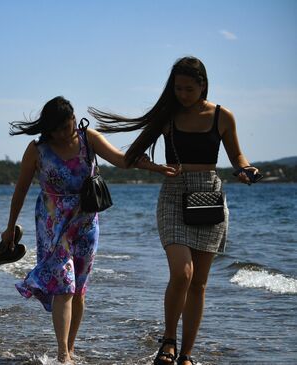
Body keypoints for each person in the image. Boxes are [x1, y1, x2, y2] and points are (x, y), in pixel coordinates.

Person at [88, 56, 260, 365]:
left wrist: (246, 170)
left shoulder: (223, 116)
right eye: (178, 88)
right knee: (183, 272)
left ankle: (187, 354)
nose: (182, 94)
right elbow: (131, 158)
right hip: (173, 195)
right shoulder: (167, 117)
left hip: (209, 195)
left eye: (188, 89)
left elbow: (237, 156)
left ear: (203, 86)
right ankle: (168, 341)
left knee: (199, 284)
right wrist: (156, 168)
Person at [2, 96, 174, 363]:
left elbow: (121, 160)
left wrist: (152, 166)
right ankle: (63, 355)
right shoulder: (37, 150)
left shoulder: (88, 139)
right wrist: (10, 227)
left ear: (74, 119)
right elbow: (21, 189)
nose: (61, 134)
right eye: (55, 129)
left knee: (79, 289)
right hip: (53, 224)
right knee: (64, 286)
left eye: (65, 126)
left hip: (86, 223)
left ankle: (70, 348)